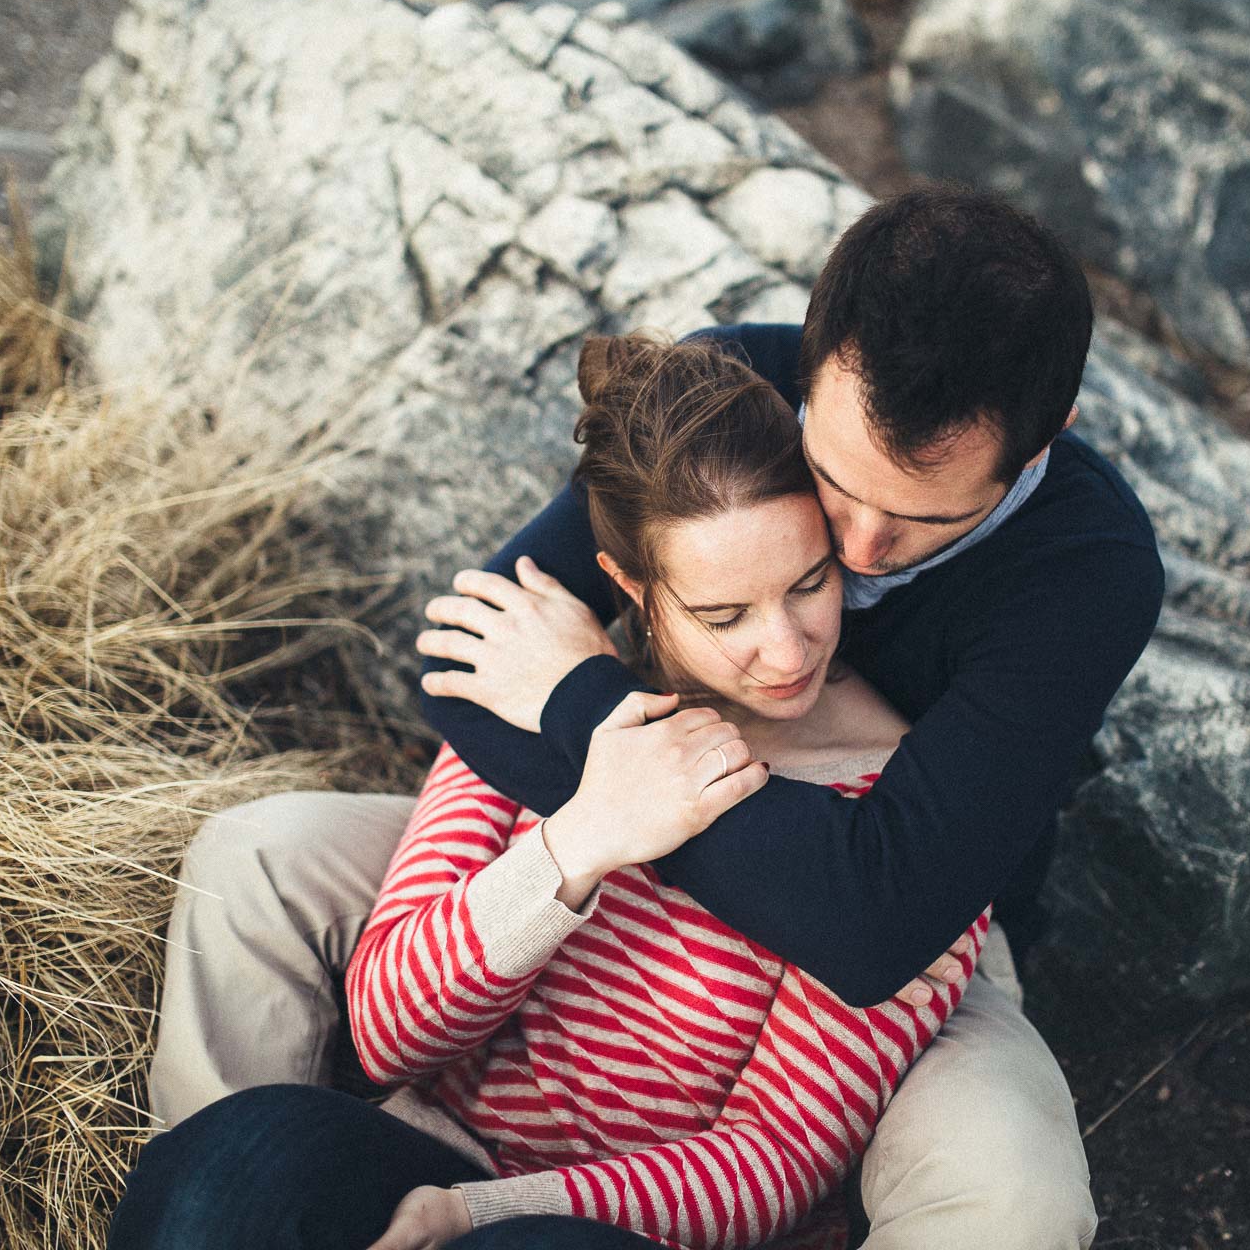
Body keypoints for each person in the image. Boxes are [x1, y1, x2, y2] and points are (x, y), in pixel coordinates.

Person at [144, 182, 1159, 1250]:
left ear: (1051, 435)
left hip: (912, 881)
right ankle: (240, 1174)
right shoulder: (729, 402)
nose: (858, 551)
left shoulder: (1088, 569)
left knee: (1013, 1200)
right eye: (830, 485)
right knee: (255, 858)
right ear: (808, 368)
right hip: (663, 822)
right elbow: (470, 673)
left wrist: (590, 714)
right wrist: (597, 821)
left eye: (919, 520)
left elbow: (878, 925)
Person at [111, 335, 988, 1250]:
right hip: (417, 1148)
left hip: (611, 1227)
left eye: (810, 583)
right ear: (633, 588)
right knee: (223, 1179)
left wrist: (473, 1213)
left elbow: (768, 1163)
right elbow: (382, 1036)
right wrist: (581, 842)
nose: (788, 648)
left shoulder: (900, 828)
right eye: (724, 615)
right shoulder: (545, 678)